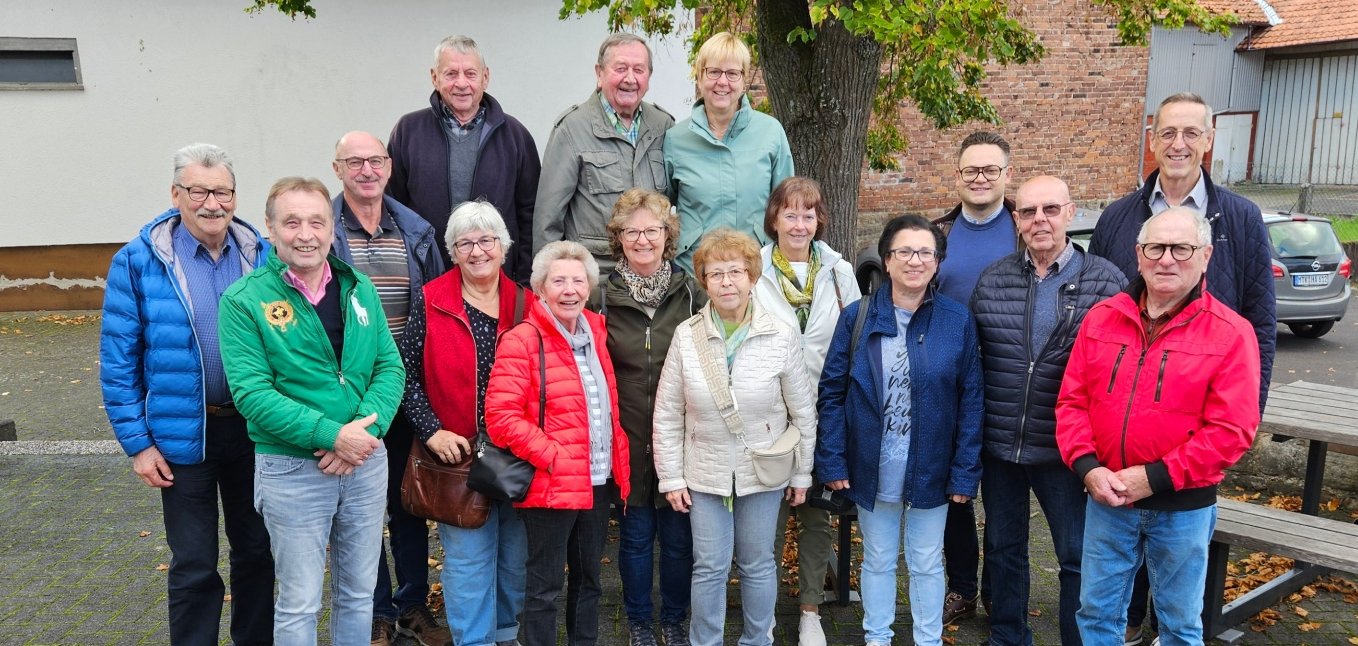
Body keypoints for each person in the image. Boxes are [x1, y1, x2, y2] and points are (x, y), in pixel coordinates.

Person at [1088, 92, 1275, 644]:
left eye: (1192, 133)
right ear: (1152, 139)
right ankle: (1128, 624)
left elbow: (1261, 324)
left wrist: (1242, 422)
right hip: (1120, 449)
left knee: (1178, 591)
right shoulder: (1120, 218)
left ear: (1209, 141)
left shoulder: (1239, 218)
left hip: (1198, 426)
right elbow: (1104, 312)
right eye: (1169, 132)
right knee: (1112, 595)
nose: (1179, 144)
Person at [1057, 206, 1261, 645]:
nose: (1166, 258)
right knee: (1095, 616)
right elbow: (1071, 402)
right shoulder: (1102, 319)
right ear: (1138, 254)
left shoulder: (1231, 333)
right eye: (1156, 247)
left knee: (1179, 625)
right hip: (1107, 499)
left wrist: (1155, 478)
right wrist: (1088, 468)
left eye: (1181, 248)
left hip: (1183, 508)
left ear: (1205, 256)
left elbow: (1232, 430)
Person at [219, 177, 406, 646]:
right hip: (292, 468)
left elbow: (389, 366)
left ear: (331, 228)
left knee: (360, 595)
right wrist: (332, 435)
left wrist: (364, 432)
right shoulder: (243, 301)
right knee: (301, 601)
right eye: (292, 222)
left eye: (316, 222)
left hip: (364, 463)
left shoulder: (358, 286)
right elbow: (253, 395)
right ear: (270, 227)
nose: (306, 234)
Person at [100, 143, 274, 646]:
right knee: (195, 562)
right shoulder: (138, 262)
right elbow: (118, 362)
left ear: (235, 197)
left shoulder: (261, 255)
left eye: (221, 191)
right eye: (199, 191)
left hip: (254, 432)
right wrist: (138, 444)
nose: (211, 203)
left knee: (257, 553)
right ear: (176, 194)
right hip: (181, 437)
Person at [969, 176, 1126, 646]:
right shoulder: (994, 278)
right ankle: (1008, 637)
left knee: (1075, 555)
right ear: (1016, 220)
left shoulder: (1106, 280)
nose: (1040, 220)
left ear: (1071, 213)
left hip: (1067, 450)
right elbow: (974, 363)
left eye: (1051, 210)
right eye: (1029, 211)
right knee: (1003, 550)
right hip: (1001, 446)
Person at [816, 214, 984, 646]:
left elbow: (971, 401)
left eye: (925, 252)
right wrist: (832, 458)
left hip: (932, 466)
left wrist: (965, 472)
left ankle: (927, 640)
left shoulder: (956, 321)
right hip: (873, 465)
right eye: (904, 251)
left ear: (937, 262)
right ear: (886, 261)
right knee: (877, 559)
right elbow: (832, 393)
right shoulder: (858, 317)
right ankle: (878, 638)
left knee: (928, 560)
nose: (915, 260)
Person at [653, 228, 818, 646]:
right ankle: (704, 641)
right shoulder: (687, 336)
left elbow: (802, 411)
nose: (727, 282)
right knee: (708, 565)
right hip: (704, 472)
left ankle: (757, 640)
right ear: (703, 281)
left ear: (752, 277)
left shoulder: (780, 335)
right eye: (715, 274)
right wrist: (670, 477)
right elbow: (668, 413)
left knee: (758, 563)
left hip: (762, 470)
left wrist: (802, 474)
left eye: (736, 272)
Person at [326, 131, 449, 646]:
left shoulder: (415, 231)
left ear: (389, 166)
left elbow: (438, 305)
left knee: (409, 501)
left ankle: (413, 605)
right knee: (358, 508)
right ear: (338, 169)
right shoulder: (327, 233)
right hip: (352, 395)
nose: (366, 171)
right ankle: (375, 610)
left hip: (408, 389)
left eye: (374, 160)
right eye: (354, 162)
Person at [484, 241, 631, 646]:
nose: (570, 289)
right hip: (551, 484)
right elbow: (500, 417)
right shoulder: (522, 340)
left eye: (578, 280)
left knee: (590, 581)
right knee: (544, 586)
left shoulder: (597, 333)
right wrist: (552, 455)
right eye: (559, 280)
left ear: (589, 287)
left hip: (598, 480)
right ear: (541, 287)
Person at [400, 200, 528, 646]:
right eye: (465, 243)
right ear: (452, 251)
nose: (477, 251)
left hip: (516, 453)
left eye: (486, 240)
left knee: (514, 555)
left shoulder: (526, 303)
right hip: (458, 455)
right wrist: (431, 429)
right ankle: (475, 640)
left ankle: (506, 634)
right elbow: (403, 374)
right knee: (470, 558)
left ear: (503, 246)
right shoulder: (432, 300)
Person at [589, 189, 702, 646]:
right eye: (631, 231)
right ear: (618, 238)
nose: (641, 240)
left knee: (677, 539)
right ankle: (638, 621)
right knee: (636, 536)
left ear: (666, 235)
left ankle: (674, 620)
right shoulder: (601, 294)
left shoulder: (691, 290)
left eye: (651, 230)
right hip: (628, 434)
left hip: (682, 436)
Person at [751, 177, 861, 646]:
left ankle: (811, 611)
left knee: (816, 513)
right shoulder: (752, 268)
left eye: (808, 214)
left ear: (820, 221)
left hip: (823, 408)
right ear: (774, 218)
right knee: (768, 515)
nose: (799, 223)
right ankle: (765, 612)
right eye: (790, 214)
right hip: (768, 412)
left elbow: (855, 338)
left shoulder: (839, 272)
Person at [930, 130, 1018, 623]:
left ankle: (999, 595)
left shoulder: (1026, 229)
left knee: (1003, 503)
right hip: (952, 388)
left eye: (990, 170)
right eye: (971, 170)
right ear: (958, 176)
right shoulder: (938, 235)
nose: (980, 178)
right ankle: (961, 588)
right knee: (956, 496)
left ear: (1007, 174)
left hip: (1010, 387)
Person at [388, 34, 541, 281]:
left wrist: (524, 280)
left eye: (470, 74)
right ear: (434, 78)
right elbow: (392, 207)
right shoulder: (408, 131)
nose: (461, 83)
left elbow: (530, 214)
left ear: (485, 77)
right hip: (427, 278)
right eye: (451, 74)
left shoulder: (515, 135)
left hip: (496, 282)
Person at [535, 33, 675, 274]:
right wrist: (553, 281)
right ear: (599, 73)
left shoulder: (663, 126)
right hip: (597, 279)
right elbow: (548, 222)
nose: (630, 78)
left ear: (649, 77)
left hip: (653, 278)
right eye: (620, 68)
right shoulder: (572, 129)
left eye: (639, 70)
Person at [663, 32, 794, 271]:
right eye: (713, 72)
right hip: (694, 273)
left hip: (755, 270)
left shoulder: (770, 133)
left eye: (732, 73)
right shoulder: (676, 139)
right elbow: (662, 208)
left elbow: (786, 207)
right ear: (699, 77)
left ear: (744, 82)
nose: (722, 82)